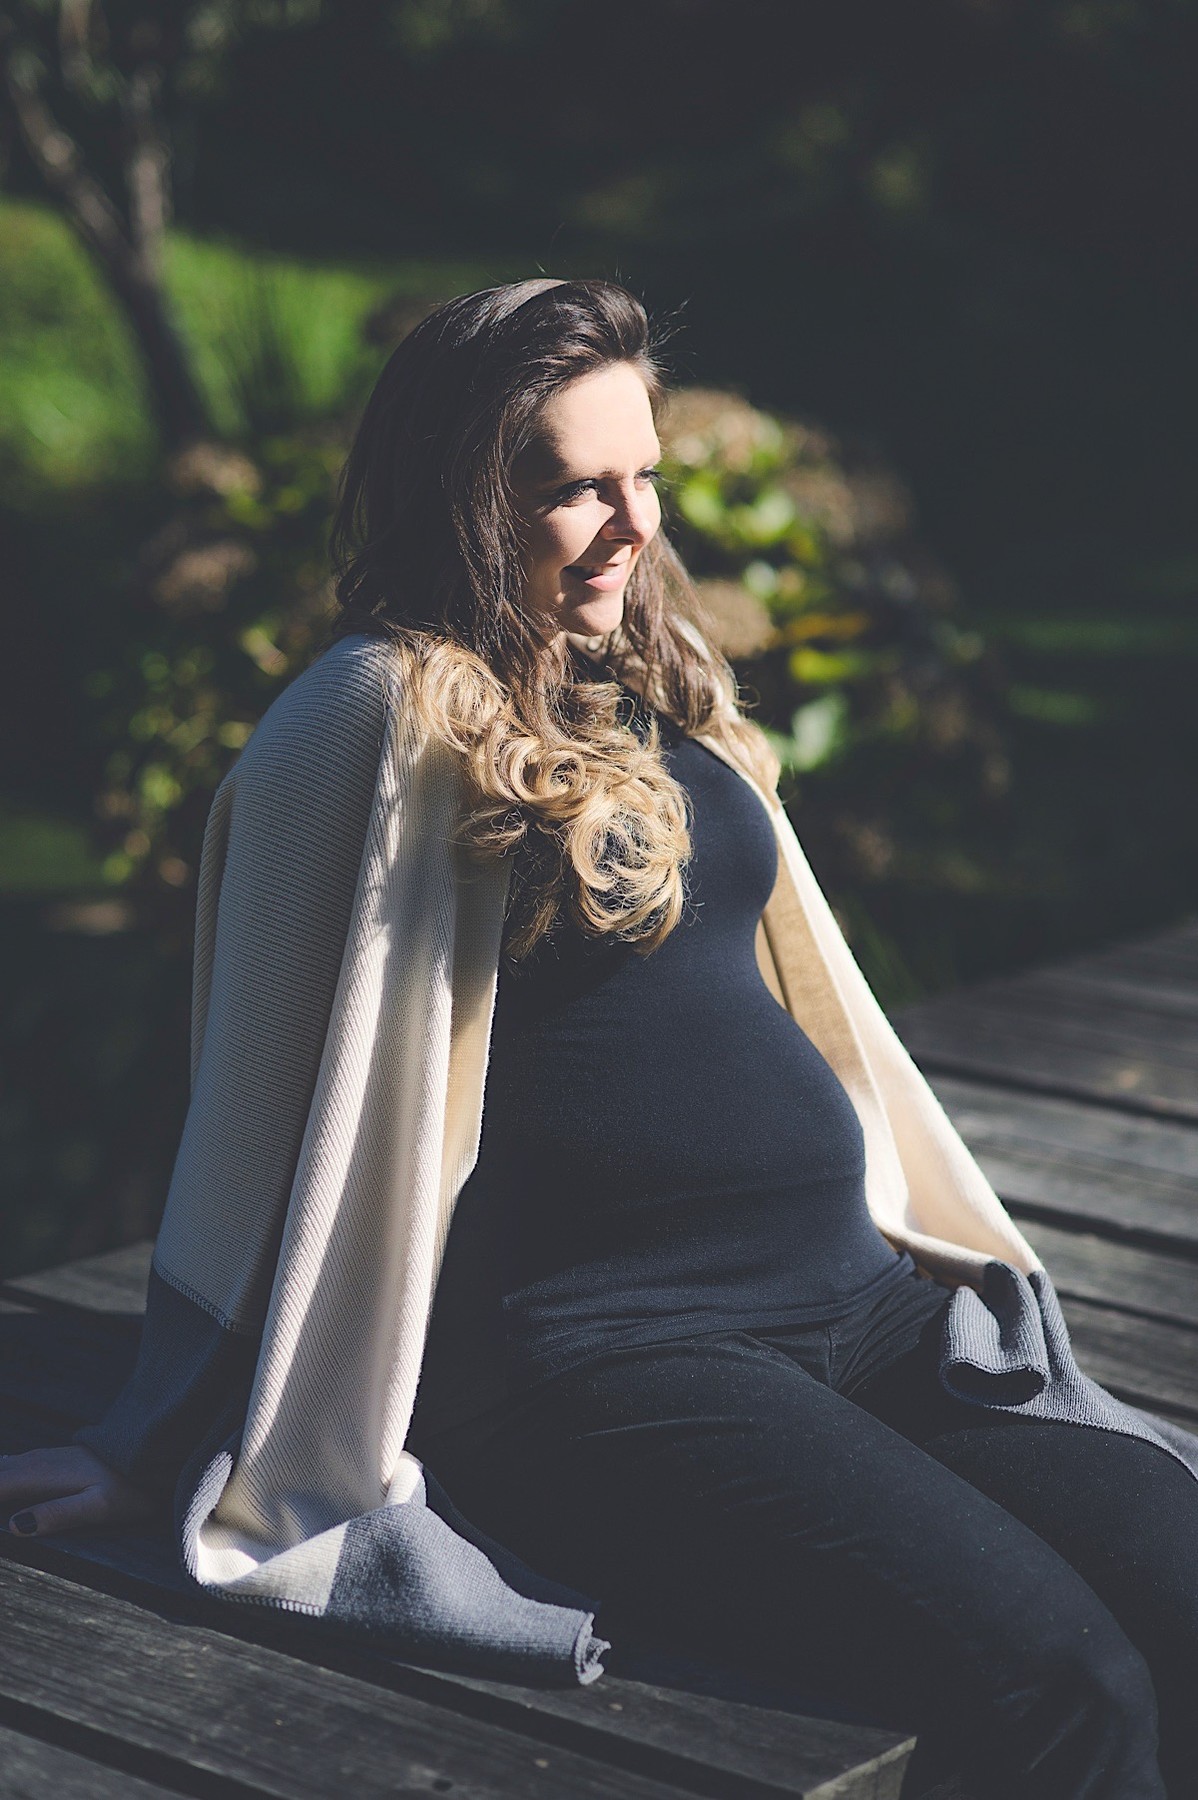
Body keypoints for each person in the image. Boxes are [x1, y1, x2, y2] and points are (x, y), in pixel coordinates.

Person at [2, 278, 1196, 1798]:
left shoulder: (646, 682)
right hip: (620, 1358)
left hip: (867, 1310)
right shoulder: (369, 718)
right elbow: (255, 1103)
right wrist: (148, 1425)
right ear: (466, 503)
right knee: (1061, 1684)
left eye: (639, 477)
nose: (628, 523)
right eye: (570, 488)